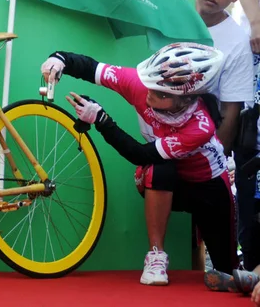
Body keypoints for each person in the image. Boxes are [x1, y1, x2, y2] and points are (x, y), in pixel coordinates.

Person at [41, 42, 238, 286]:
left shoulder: (200, 126)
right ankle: (156, 256)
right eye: (151, 85)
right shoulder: (140, 84)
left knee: (227, 276)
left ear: (186, 99)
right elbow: (92, 68)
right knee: (161, 168)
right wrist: (59, 59)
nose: (150, 94)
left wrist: (101, 119)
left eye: (161, 93)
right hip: (165, 180)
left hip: (209, 187)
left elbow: (139, 154)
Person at [195, 0, 256, 279]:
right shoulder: (169, 15)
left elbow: (231, 114)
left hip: (206, 148)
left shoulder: (236, 42)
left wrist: (212, 163)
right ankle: (156, 254)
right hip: (158, 142)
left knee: (224, 271)